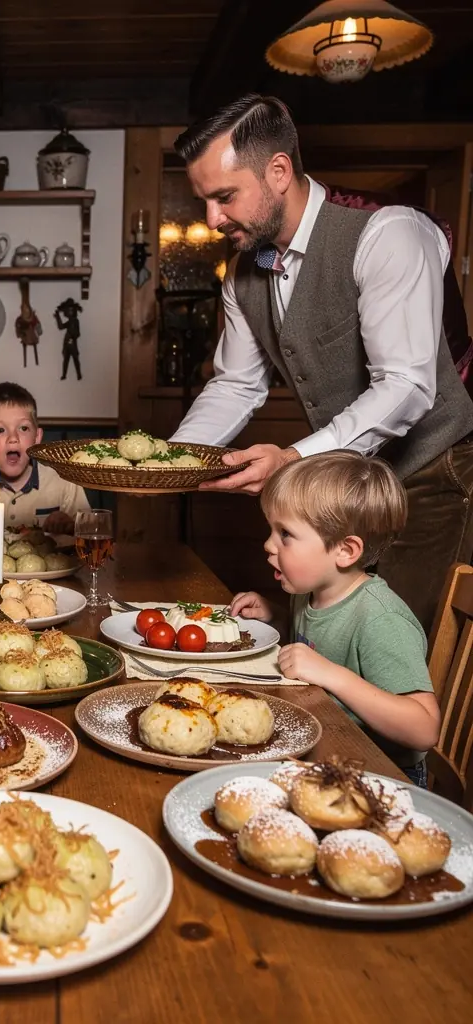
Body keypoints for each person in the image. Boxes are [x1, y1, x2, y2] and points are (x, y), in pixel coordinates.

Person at [168, 94, 473, 634]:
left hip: (436, 472)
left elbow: (405, 384)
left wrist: (292, 458)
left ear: (279, 171)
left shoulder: (388, 233)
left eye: (224, 197)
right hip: (349, 483)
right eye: (205, 201)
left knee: (409, 647)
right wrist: (173, 464)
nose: (211, 219)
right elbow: (236, 384)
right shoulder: (242, 271)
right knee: (338, 633)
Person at [230, 452, 440, 786]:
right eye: (271, 529)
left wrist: (332, 675)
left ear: (345, 551)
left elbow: (424, 729)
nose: (268, 544)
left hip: (384, 774)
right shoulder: (307, 589)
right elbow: (318, 638)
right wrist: (277, 616)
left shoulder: (381, 619)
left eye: (285, 533)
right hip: (329, 747)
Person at [0, 382, 89, 535]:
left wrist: (69, 526)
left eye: (23, 428)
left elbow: (92, 533)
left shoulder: (64, 482)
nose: (13, 438)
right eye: (0, 430)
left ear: (37, 437)